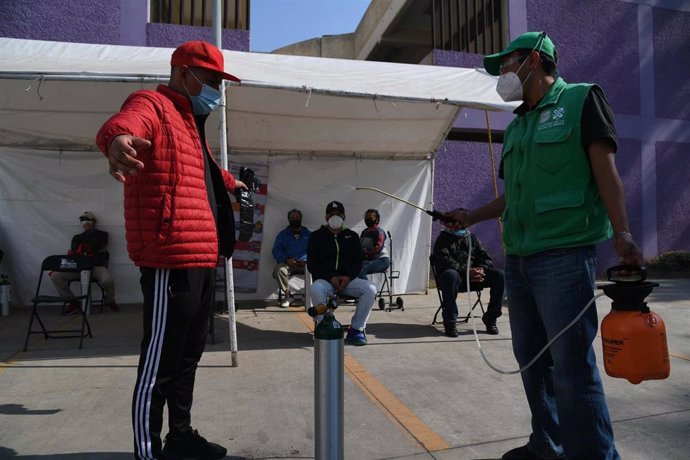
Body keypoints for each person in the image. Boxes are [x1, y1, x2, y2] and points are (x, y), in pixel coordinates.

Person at [445, 32, 643, 460]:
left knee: (572, 368)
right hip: (519, 258)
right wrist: (470, 215)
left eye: (508, 63)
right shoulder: (517, 125)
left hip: (564, 255)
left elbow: (606, 171)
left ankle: (593, 455)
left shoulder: (581, 100)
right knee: (533, 362)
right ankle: (547, 445)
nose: (503, 73)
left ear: (535, 60)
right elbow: (511, 196)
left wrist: (623, 231)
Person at [96, 40, 247, 460]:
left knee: (187, 355)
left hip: (201, 257)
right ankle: (148, 452)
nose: (217, 90)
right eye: (213, 80)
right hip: (170, 258)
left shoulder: (189, 123)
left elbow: (205, 172)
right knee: (158, 364)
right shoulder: (153, 104)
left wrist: (233, 183)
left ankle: (180, 436)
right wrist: (117, 140)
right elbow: (127, 123)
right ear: (184, 74)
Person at [307, 201, 377, 346]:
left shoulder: (351, 236)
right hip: (326, 281)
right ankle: (323, 327)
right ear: (326, 217)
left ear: (344, 216)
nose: (335, 217)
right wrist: (330, 277)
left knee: (370, 289)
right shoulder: (316, 236)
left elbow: (358, 262)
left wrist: (347, 277)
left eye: (338, 214)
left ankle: (357, 329)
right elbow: (312, 264)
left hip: (348, 280)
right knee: (315, 288)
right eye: (331, 214)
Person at [432, 223, 504, 337]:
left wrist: (481, 270)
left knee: (500, 276)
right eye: (456, 222)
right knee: (450, 275)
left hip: (474, 279)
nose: (459, 225)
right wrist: (466, 272)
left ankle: (491, 318)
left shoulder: (472, 238)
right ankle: (450, 322)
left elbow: (485, 257)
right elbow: (445, 261)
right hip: (456, 279)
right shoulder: (443, 239)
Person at [50, 211, 119, 313]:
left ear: (94, 221)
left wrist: (88, 248)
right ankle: (72, 302)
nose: (84, 222)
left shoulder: (103, 234)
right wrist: (87, 249)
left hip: (96, 267)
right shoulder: (77, 237)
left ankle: (110, 301)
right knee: (55, 275)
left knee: (108, 281)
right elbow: (75, 251)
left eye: (87, 219)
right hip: (79, 267)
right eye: (82, 220)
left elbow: (99, 246)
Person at [271, 209, 310, 307]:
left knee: (316, 269)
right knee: (278, 270)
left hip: (305, 264)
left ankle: (309, 296)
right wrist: (286, 260)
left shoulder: (308, 234)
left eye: (297, 218)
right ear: (288, 220)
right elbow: (276, 250)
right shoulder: (283, 234)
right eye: (292, 218)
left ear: (301, 218)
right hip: (288, 263)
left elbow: (316, 250)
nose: (295, 220)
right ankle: (288, 296)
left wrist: (306, 260)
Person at [357, 209, 391, 280]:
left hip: (382, 260)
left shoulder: (379, 232)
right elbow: (360, 246)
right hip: (369, 260)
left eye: (370, 218)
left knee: (360, 270)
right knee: (352, 268)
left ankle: (369, 290)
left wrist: (364, 251)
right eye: (366, 218)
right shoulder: (364, 232)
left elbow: (377, 248)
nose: (368, 220)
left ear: (377, 219)